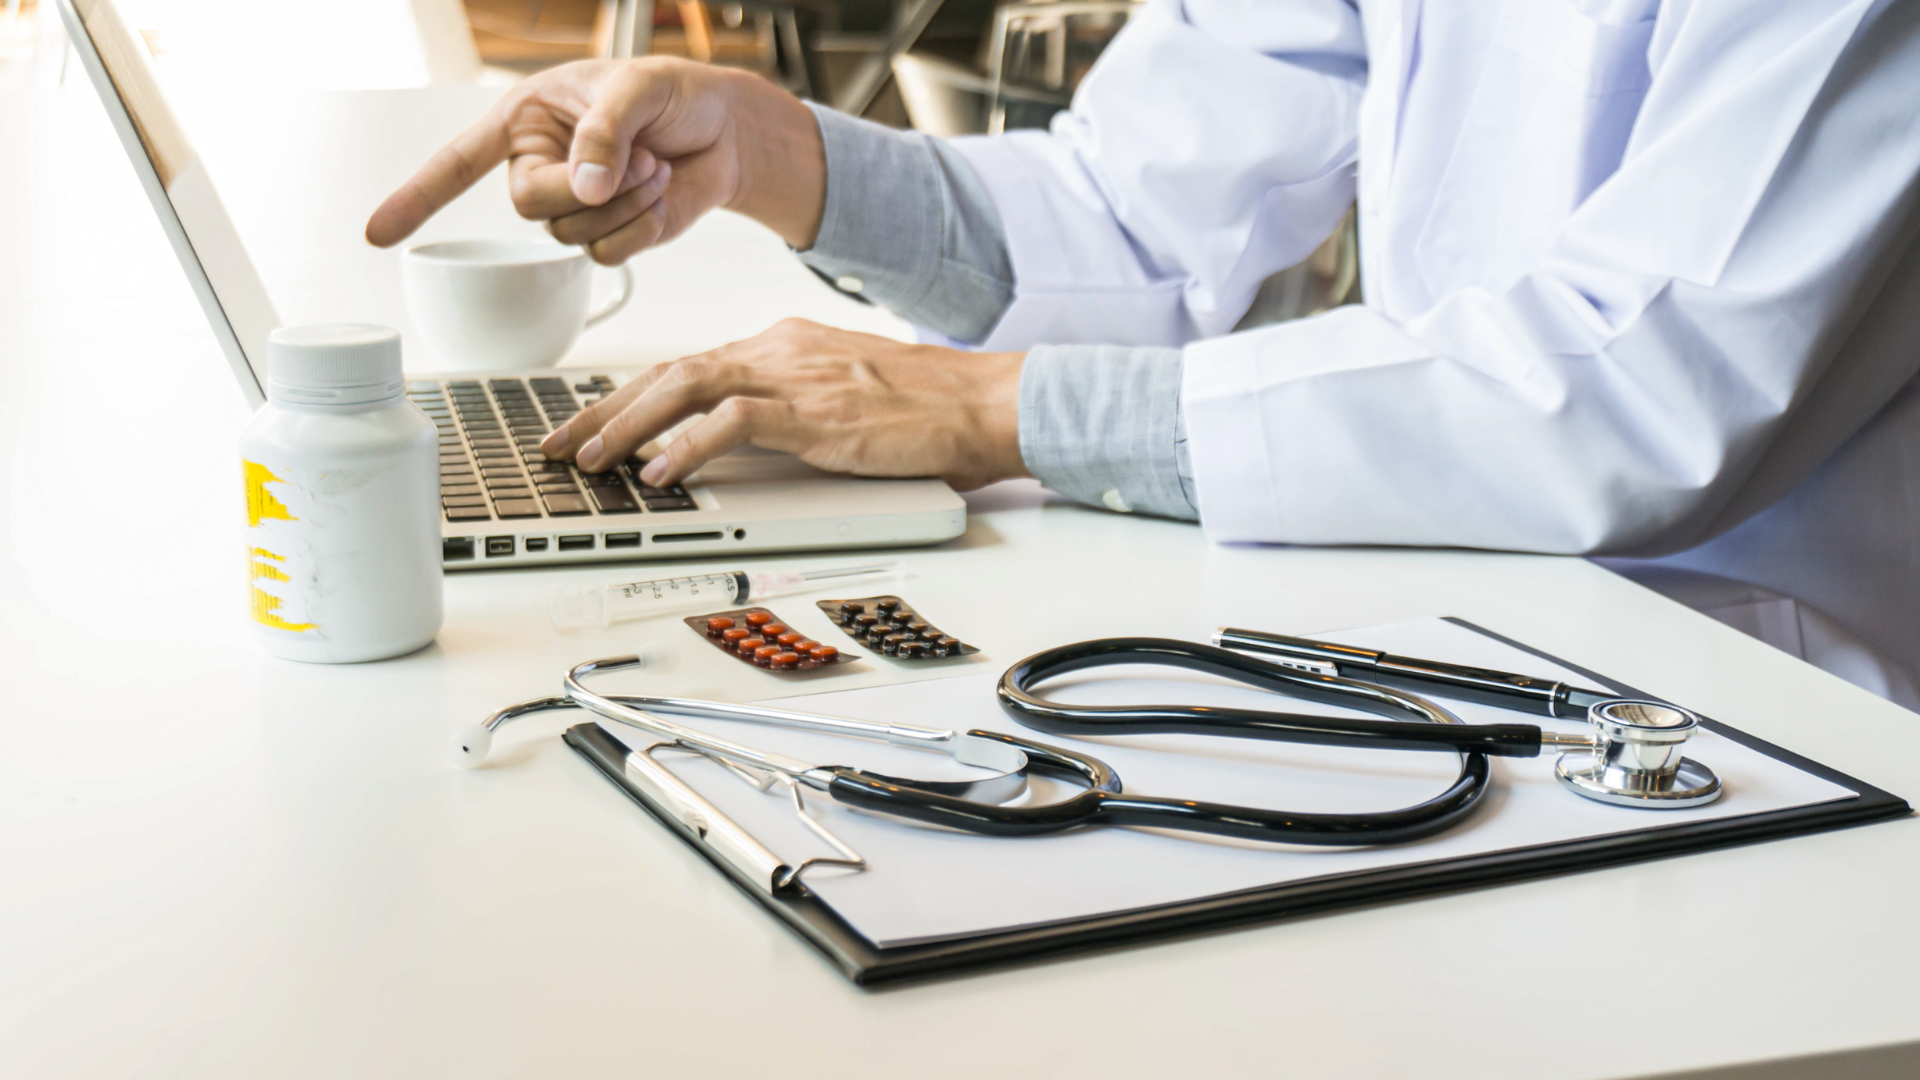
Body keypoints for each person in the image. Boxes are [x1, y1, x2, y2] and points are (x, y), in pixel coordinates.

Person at [367, 0, 1920, 709]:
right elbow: (1140, 208)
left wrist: (996, 410)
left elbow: (1644, 391)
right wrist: (780, 157)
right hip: (1490, 612)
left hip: (1777, 699)